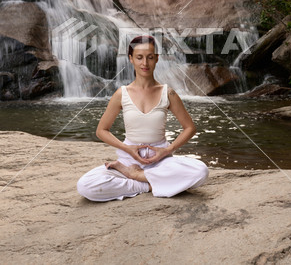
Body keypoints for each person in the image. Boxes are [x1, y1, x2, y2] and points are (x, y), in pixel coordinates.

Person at [77, 35, 209, 202]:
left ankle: (138, 177)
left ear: (157, 59)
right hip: (128, 160)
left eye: (150, 57)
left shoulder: (168, 93)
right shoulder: (121, 94)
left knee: (201, 172)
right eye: (139, 57)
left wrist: (167, 150)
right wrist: (127, 149)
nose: (145, 63)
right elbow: (101, 131)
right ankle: (149, 184)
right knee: (85, 185)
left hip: (160, 161)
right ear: (131, 59)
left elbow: (190, 128)